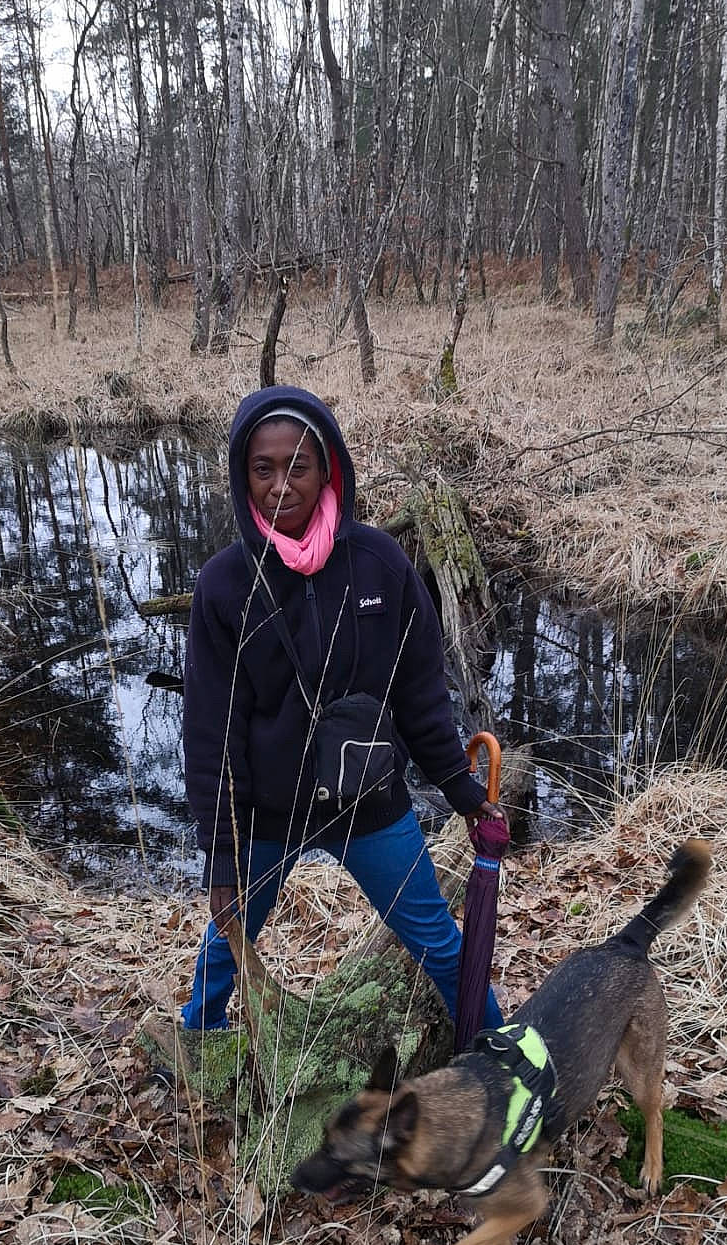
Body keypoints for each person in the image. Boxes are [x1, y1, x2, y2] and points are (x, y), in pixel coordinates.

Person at [181, 384, 504, 1034]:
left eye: (297, 465)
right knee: (227, 944)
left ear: (328, 466)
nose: (280, 485)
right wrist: (221, 858)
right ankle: (197, 1039)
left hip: (371, 804)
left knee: (440, 943)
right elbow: (212, 734)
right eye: (263, 468)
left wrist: (466, 795)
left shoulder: (380, 564)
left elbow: (421, 697)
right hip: (266, 818)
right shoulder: (224, 585)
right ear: (244, 474)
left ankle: (499, 1051)